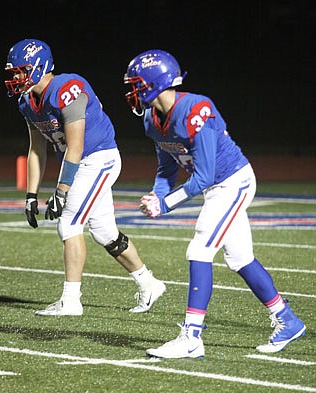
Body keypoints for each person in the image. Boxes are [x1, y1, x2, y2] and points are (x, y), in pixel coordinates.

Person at [123, 49, 306, 358]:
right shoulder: (152, 121)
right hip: (216, 186)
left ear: (155, 83)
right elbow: (166, 168)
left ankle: (191, 337)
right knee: (239, 258)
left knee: (199, 249)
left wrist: (166, 205)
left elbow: (205, 175)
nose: (133, 90)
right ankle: (287, 319)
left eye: (137, 83)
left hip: (232, 181)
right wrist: (157, 194)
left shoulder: (196, 108)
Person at [4, 39, 166, 316]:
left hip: (98, 158)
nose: (16, 77)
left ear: (39, 67)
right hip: (81, 163)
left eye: (21, 70)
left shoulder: (67, 88)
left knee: (68, 224)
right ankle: (149, 283)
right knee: (104, 232)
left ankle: (71, 301)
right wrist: (31, 195)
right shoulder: (27, 102)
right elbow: (36, 149)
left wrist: (61, 189)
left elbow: (76, 146)